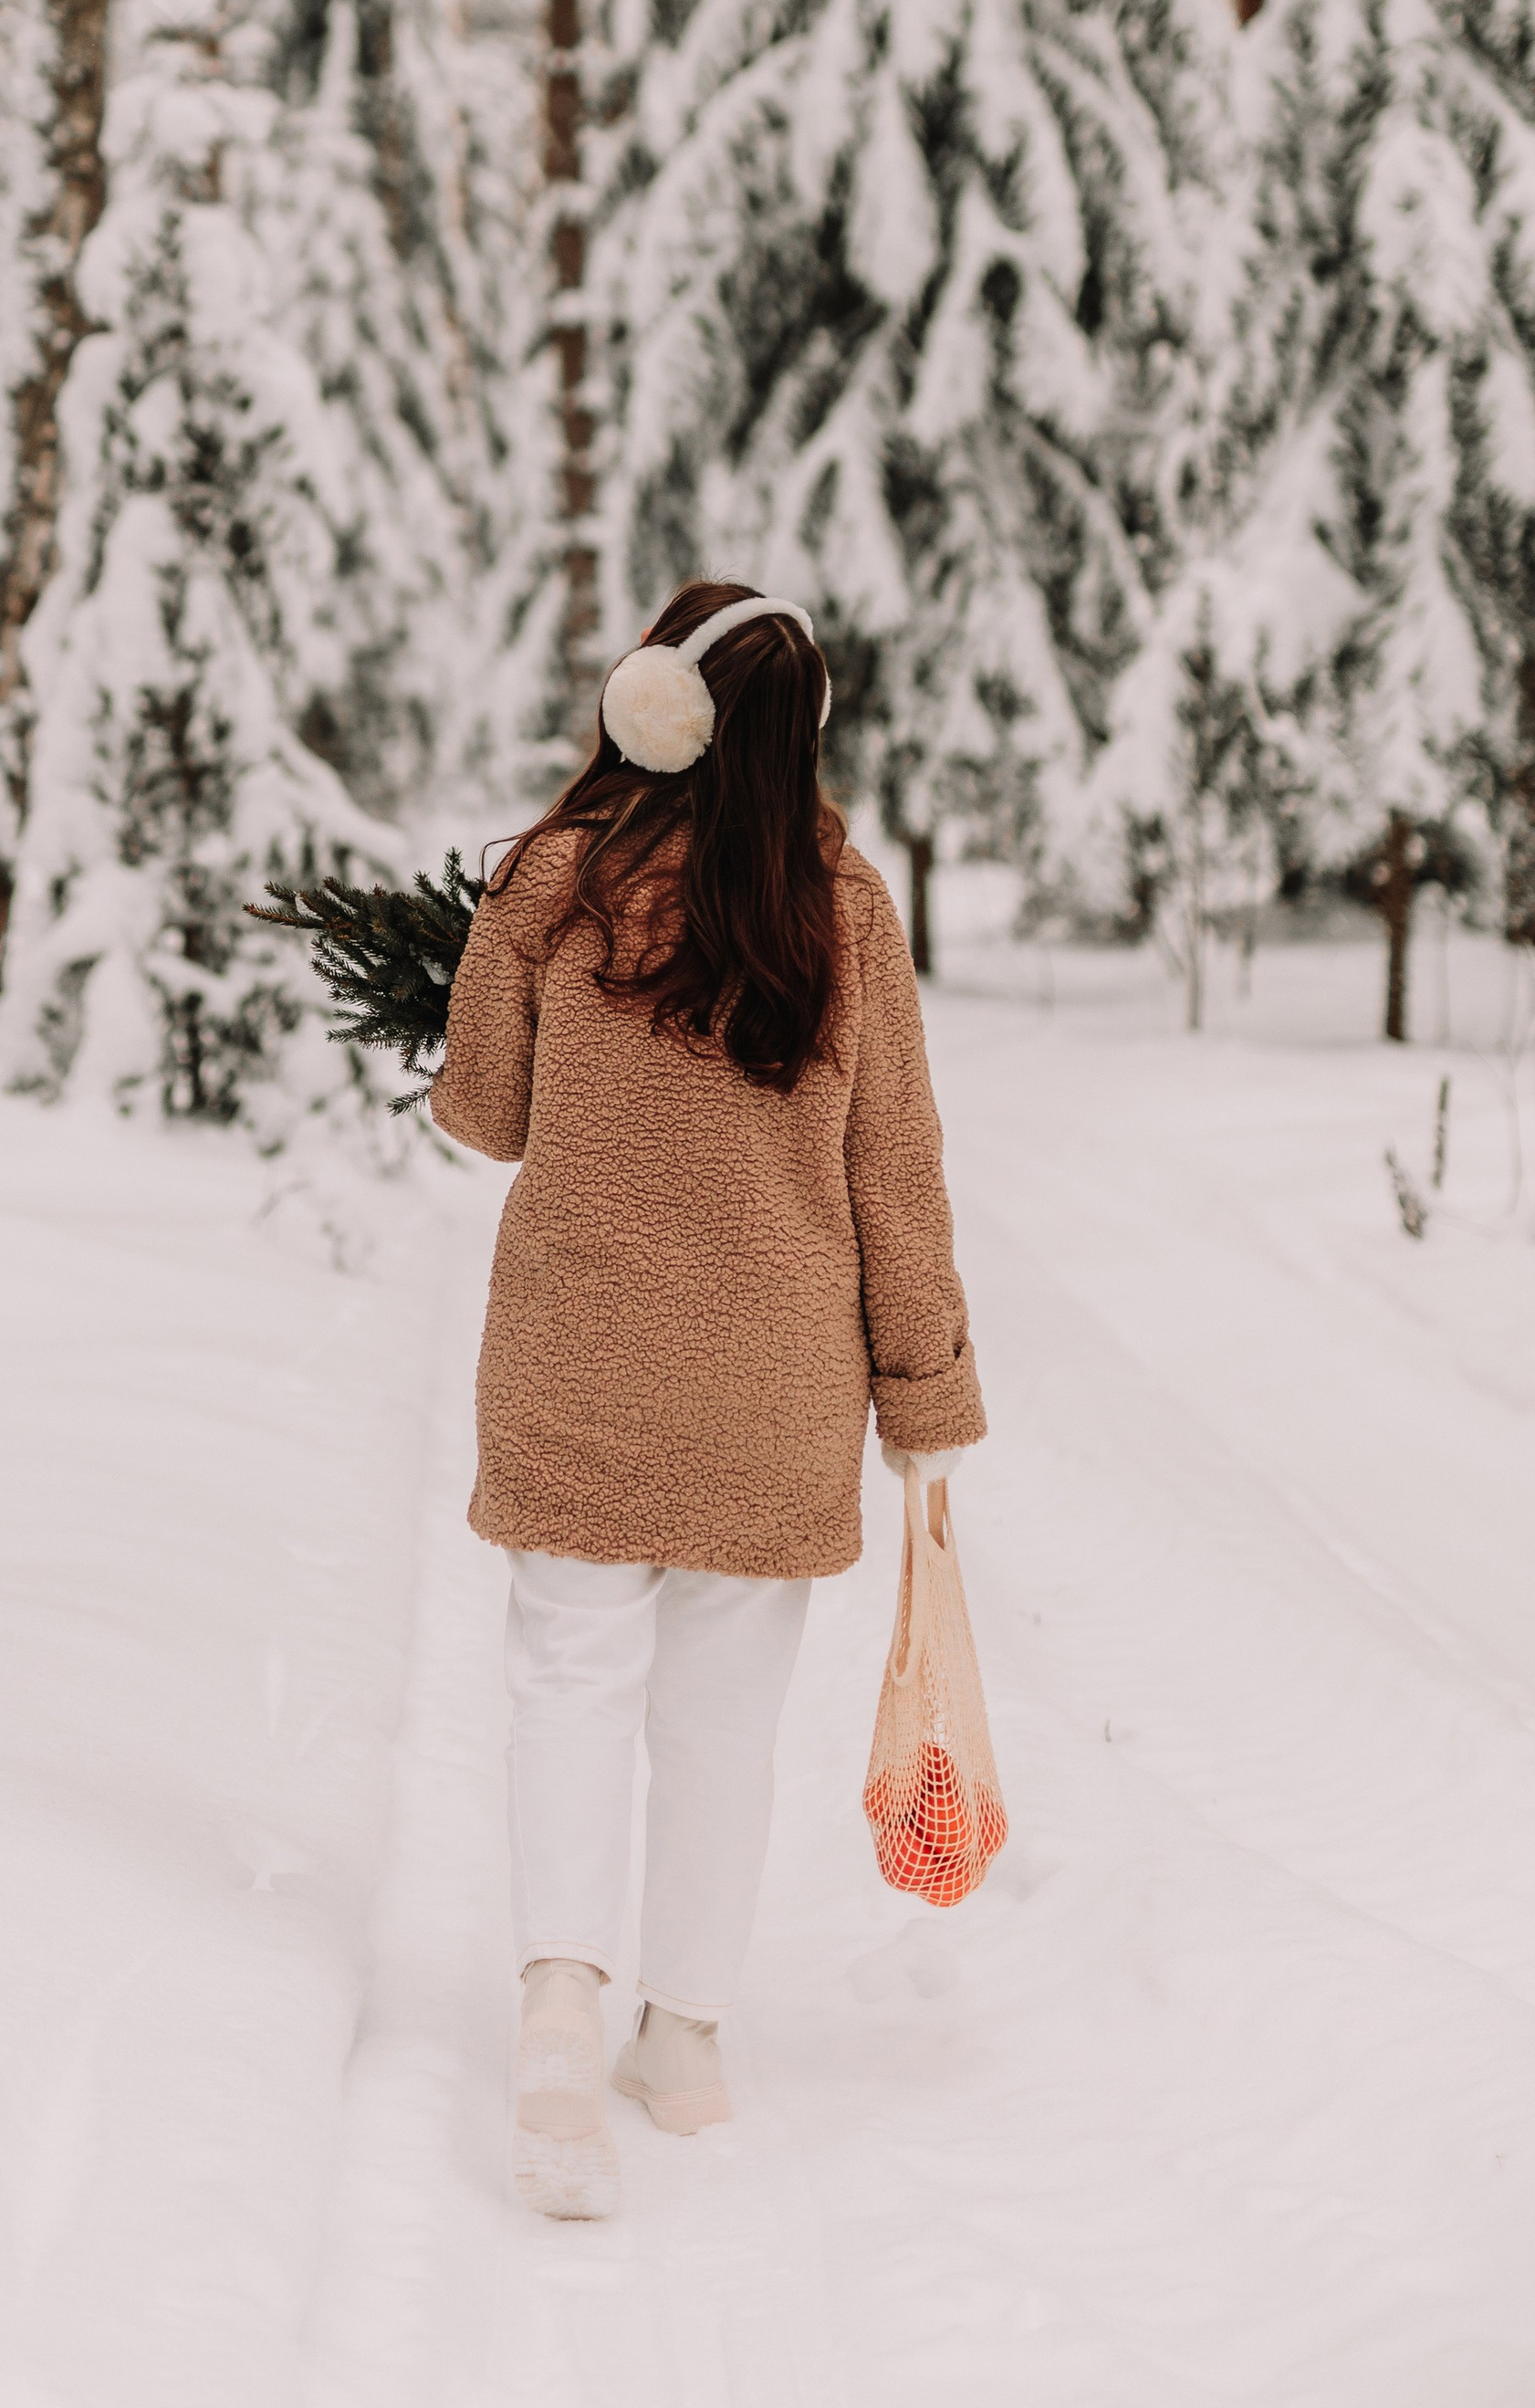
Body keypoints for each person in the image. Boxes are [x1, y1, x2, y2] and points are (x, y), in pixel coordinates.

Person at [428, 579, 985, 2221]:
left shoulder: (559, 880)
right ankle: (684, 2041)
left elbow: (485, 1110)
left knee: (570, 1681)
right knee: (721, 1723)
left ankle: (557, 2000)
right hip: (772, 1387)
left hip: (580, 1360)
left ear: (651, 703)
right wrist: (927, 1398)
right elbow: (899, 1176)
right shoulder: (848, 910)